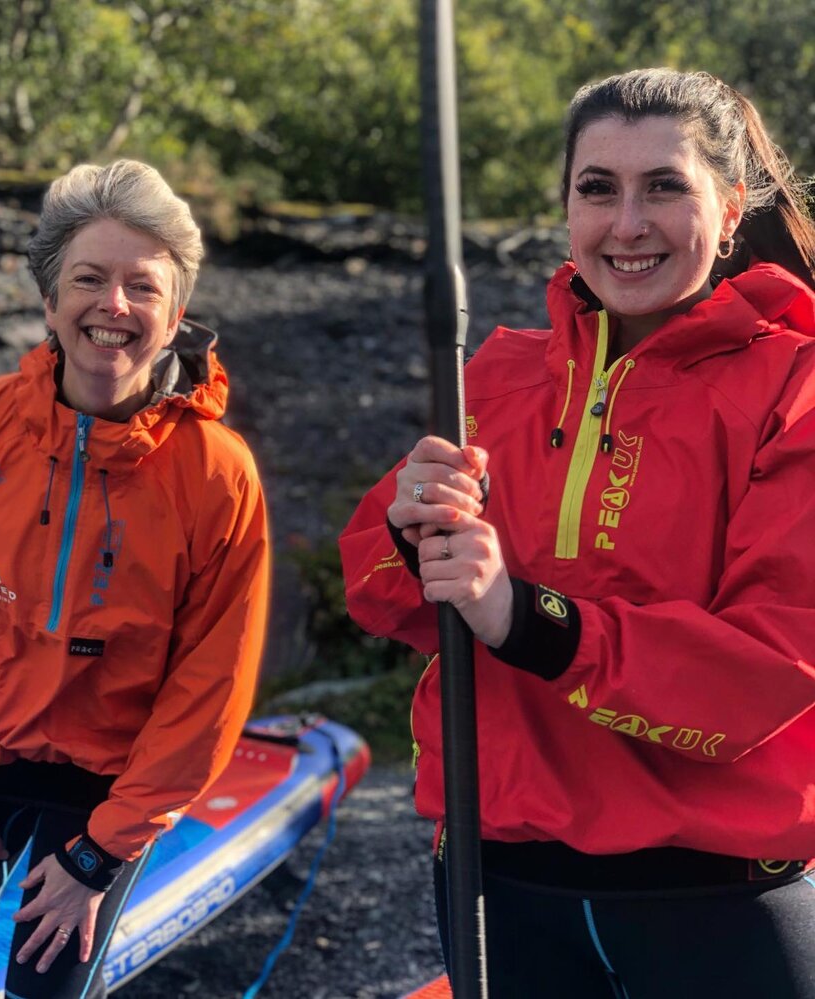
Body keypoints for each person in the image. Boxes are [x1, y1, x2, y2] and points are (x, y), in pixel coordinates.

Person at [340, 68, 815, 996]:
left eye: (664, 187)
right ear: (566, 208)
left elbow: (773, 663)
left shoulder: (795, 386)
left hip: (713, 900)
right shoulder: (498, 375)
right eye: (598, 189)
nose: (627, 224)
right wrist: (412, 530)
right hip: (499, 885)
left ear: (729, 208)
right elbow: (379, 592)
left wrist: (525, 618)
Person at [0, 159, 270, 999]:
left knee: (45, 992)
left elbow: (213, 683)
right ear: (51, 301)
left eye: (142, 286)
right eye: (88, 279)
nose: (113, 305)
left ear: (176, 314)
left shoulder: (217, 474)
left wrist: (102, 851)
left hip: (109, 787)